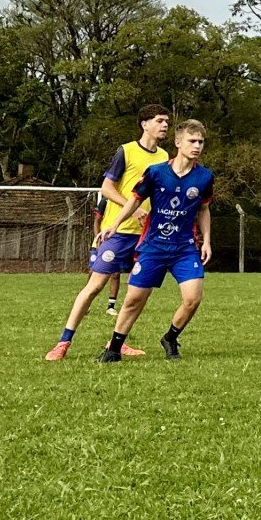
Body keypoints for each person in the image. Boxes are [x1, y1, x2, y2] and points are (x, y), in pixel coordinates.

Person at [45, 105, 169, 360]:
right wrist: (132, 209)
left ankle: (117, 341)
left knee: (140, 291)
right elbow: (107, 188)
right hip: (120, 231)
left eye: (167, 121)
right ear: (144, 124)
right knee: (95, 286)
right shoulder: (126, 151)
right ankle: (63, 342)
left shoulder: (165, 157)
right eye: (159, 121)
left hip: (146, 237)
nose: (165, 125)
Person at [97, 120, 215, 362]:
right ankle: (113, 350)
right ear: (178, 142)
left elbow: (204, 209)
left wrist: (207, 241)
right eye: (192, 141)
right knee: (133, 300)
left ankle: (170, 338)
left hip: (184, 248)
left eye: (201, 142)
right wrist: (115, 224)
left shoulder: (204, 177)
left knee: (193, 299)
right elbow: (134, 200)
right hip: (154, 246)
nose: (197, 146)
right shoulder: (156, 172)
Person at [93, 189, 124, 317]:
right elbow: (97, 221)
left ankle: (111, 306)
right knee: (93, 273)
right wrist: (98, 238)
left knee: (115, 273)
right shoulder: (105, 202)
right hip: (102, 240)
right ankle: (87, 303)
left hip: (117, 241)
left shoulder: (129, 202)